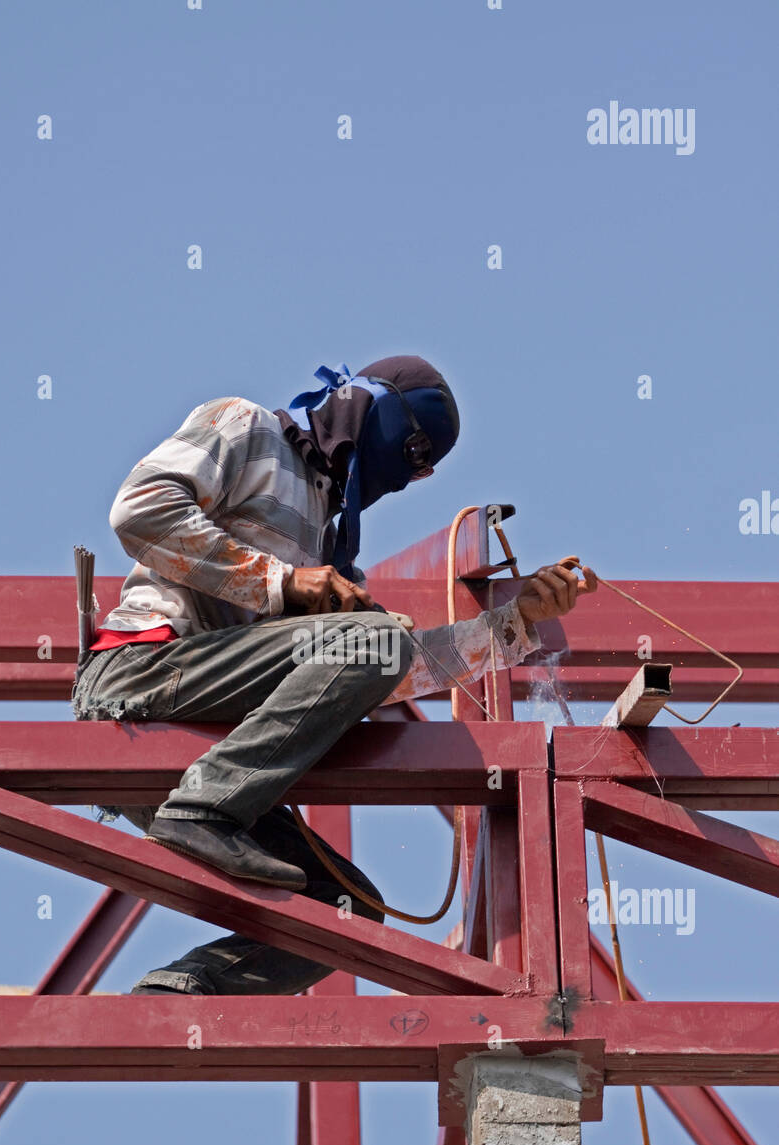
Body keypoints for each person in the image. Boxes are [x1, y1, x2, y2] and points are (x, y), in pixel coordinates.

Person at [71, 355, 596, 995]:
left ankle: (179, 995)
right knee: (373, 637)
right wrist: (282, 582)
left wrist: (514, 623)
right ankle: (203, 812)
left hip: (203, 747)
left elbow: (389, 668)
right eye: (415, 452)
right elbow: (140, 508)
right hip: (143, 678)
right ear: (370, 412)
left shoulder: (330, 542)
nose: (414, 475)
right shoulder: (246, 427)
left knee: (345, 912)